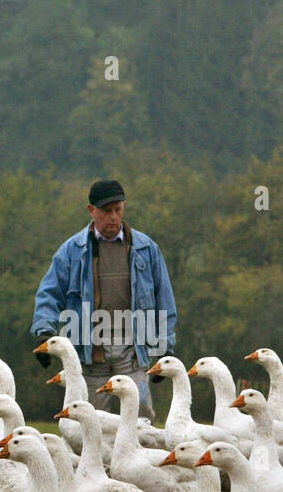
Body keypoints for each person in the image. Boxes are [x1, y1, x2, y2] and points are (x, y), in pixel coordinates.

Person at [30, 179, 176, 421]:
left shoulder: (146, 249)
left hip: (133, 350)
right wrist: (44, 333)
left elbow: (165, 301)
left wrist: (165, 349)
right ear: (91, 210)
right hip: (89, 353)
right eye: (107, 211)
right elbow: (49, 293)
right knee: (90, 422)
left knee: (142, 417)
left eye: (118, 209)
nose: (113, 217)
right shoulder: (71, 251)